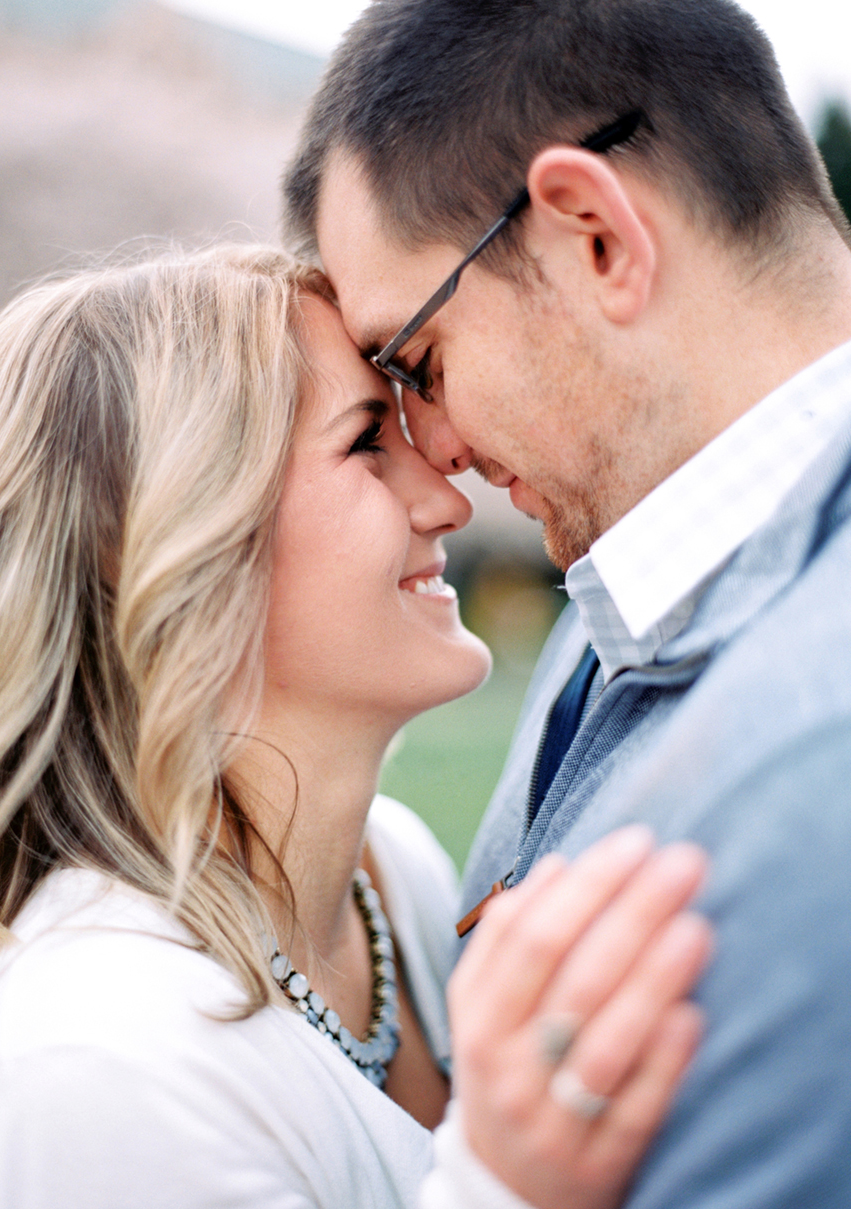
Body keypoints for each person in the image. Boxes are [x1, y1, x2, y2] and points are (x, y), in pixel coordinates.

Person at [0, 244, 712, 1208]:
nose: (446, 498)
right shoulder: (90, 1056)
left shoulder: (392, 871)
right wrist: (513, 1183)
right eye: (364, 443)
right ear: (164, 543)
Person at [282, 0, 851, 1204]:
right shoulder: (630, 582)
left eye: (419, 364)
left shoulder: (818, 750)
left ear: (595, 234)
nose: (428, 450)